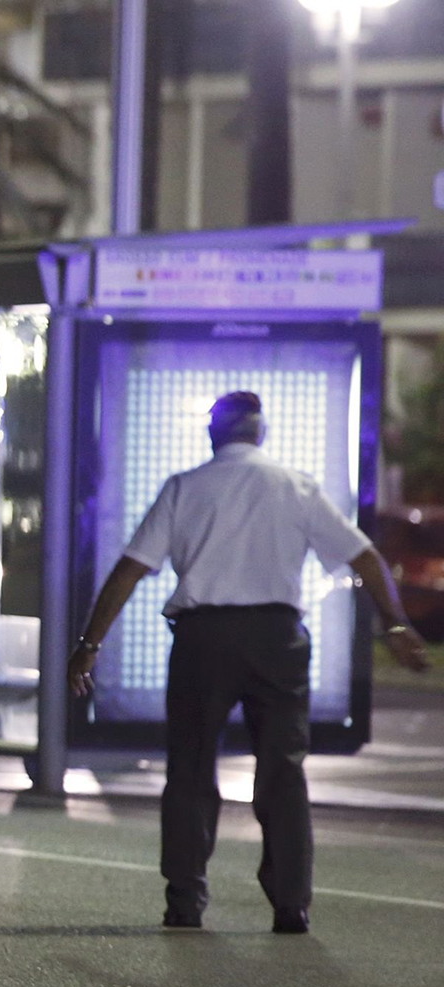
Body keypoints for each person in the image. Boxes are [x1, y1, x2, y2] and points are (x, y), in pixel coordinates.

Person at [68, 390, 430, 933]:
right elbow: (365, 557)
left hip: (202, 640)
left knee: (190, 770)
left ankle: (185, 900)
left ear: (213, 434)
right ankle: (291, 904)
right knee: (283, 770)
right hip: (277, 640)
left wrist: (89, 644)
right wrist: (396, 624)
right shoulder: (296, 487)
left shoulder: (184, 487)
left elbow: (130, 569)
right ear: (260, 433)